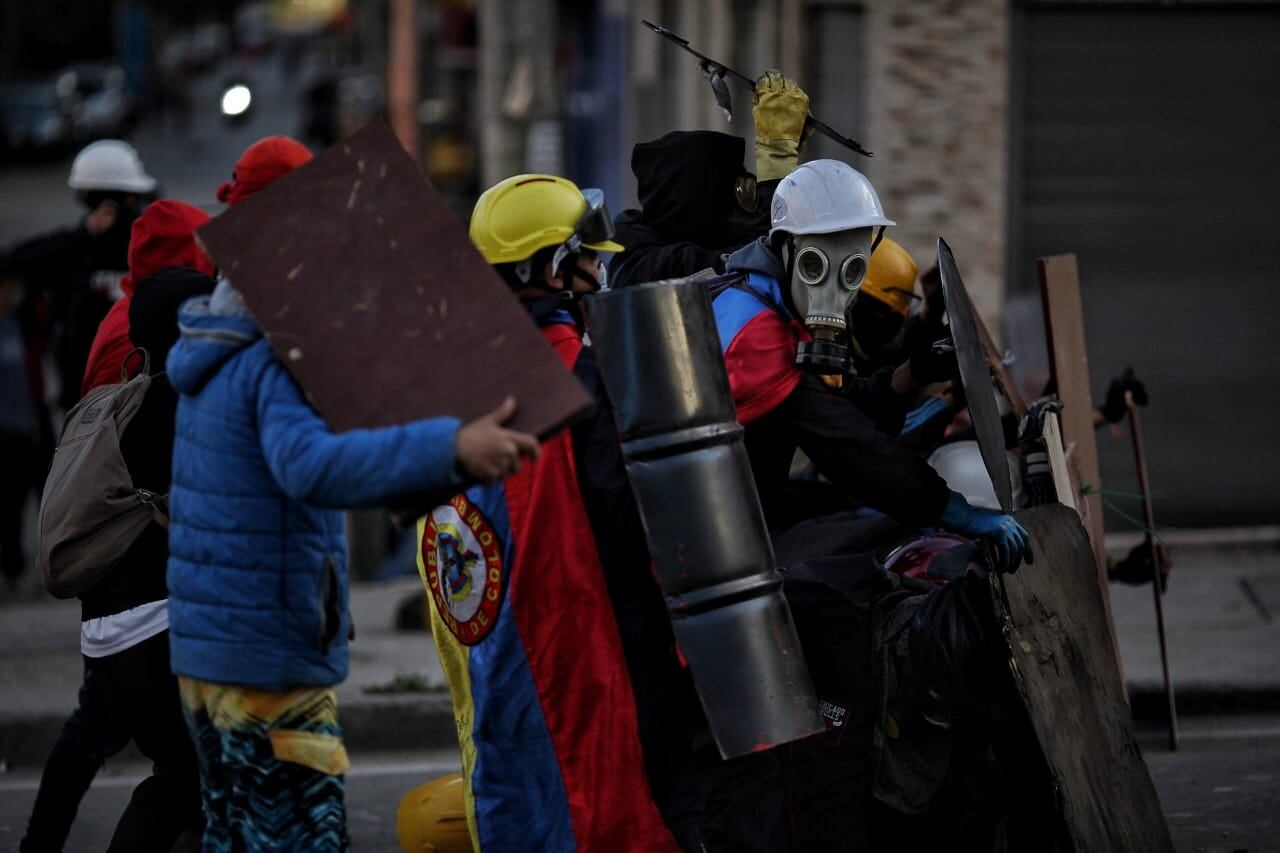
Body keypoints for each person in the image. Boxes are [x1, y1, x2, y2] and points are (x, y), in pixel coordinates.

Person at [164, 251, 539, 851]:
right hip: (268, 663)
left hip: (211, 657)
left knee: (235, 836)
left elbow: (249, 502)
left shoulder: (212, 355)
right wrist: (451, 446)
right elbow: (310, 467)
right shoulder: (272, 361)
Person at [412, 174, 681, 852]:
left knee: (517, 799)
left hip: (494, 657)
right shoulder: (575, 378)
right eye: (587, 257)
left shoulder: (450, 374)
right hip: (579, 639)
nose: (598, 270)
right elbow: (629, 517)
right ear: (551, 269)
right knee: (593, 806)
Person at [714, 158, 1032, 572]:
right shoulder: (756, 331)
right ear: (788, 247)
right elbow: (848, 446)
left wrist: (914, 372)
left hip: (738, 518)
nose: (832, 290)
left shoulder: (775, 302)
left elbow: (847, 411)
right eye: (816, 266)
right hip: (706, 544)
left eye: (852, 270)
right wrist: (957, 512)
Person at [608, 71, 810, 290]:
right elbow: (758, 262)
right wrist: (777, 159)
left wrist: (787, 170)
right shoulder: (642, 268)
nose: (746, 205)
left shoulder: (691, 237)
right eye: (739, 191)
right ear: (697, 203)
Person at [3, 140, 157, 411]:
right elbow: (13, 260)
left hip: (138, 390)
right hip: (82, 390)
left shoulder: (152, 244)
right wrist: (83, 236)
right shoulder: (75, 249)